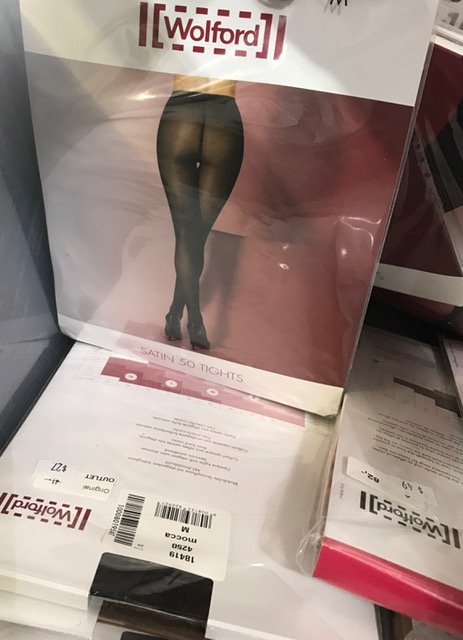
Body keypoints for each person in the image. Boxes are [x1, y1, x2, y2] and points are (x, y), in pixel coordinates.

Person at [157, 0, 294, 350]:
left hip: (181, 112)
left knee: (186, 232)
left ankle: (179, 314)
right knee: (195, 235)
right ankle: (191, 317)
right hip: (223, 115)